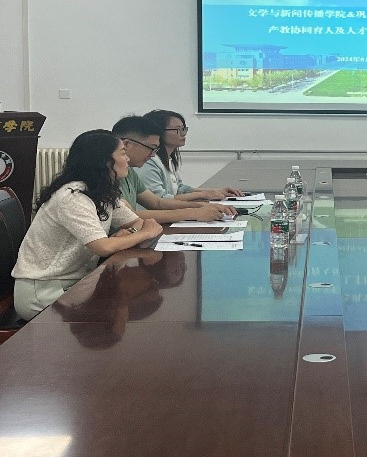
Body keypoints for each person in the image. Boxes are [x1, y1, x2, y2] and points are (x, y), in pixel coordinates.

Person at [12, 130, 163, 321]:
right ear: (105, 161)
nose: (127, 160)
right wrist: (144, 233)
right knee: (118, 312)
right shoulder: (73, 196)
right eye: (123, 154)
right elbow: (103, 247)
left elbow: (136, 223)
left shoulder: (101, 191)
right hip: (45, 290)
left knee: (123, 306)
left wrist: (134, 232)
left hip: (78, 281)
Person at [112, 116, 236, 222]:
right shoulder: (107, 175)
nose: (153, 155)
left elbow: (157, 203)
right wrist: (191, 213)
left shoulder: (130, 172)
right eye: (151, 148)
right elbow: (128, 216)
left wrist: (200, 206)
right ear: (126, 144)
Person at [139, 109, 243, 200]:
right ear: (159, 132)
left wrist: (217, 191)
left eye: (183, 129)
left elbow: (180, 189)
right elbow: (159, 199)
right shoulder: (149, 161)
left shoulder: (168, 159)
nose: (183, 134)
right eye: (178, 130)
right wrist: (203, 195)